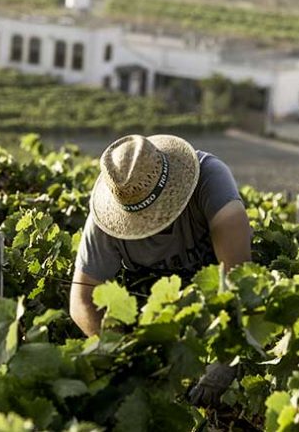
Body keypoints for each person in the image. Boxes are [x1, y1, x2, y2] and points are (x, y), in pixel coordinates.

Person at [69, 133, 253, 406]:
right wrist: (123, 352)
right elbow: (82, 300)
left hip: (219, 308)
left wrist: (228, 356)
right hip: (154, 321)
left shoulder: (211, 180)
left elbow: (241, 278)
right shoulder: (106, 221)